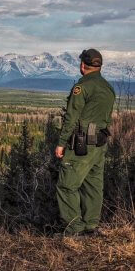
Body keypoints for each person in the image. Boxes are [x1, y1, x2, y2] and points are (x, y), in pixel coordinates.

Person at [55, 49, 115, 236]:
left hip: (81, 144)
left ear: (82, 65)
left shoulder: (82, 87)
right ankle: (90, 227)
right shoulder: (108, 87)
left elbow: (71, 118)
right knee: (93, 185)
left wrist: (61, 143)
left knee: (66, 185)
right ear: (100, 66)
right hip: (99, 143)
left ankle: (75, 230)